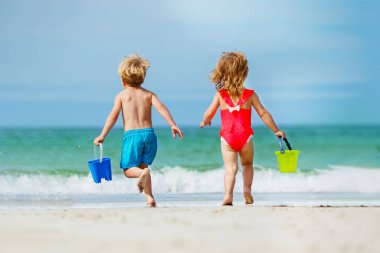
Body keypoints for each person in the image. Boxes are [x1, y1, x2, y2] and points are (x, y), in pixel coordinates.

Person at [93, 54, 183, 207]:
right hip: (149, 135)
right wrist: (172, 124)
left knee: (129, 170)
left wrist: (103, 135)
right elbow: (162, 108)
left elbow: (113, 116)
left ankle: (142, 176)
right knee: (144, 167)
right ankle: (150, 198)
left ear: (123, 80)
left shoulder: (121, 96)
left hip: (132, 136)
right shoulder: (149, 94)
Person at [200, 52, 285, 206]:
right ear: (244, 72)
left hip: (227, 138)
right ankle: (247, 190)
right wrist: (276, 130)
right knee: (247, 165)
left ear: (222, 73)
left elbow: (208, 113)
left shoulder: (220, 95)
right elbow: (263, 113)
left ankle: (228, 195)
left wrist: (205, 121)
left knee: (230, 168)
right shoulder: (250, 95)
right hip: (245, 137)